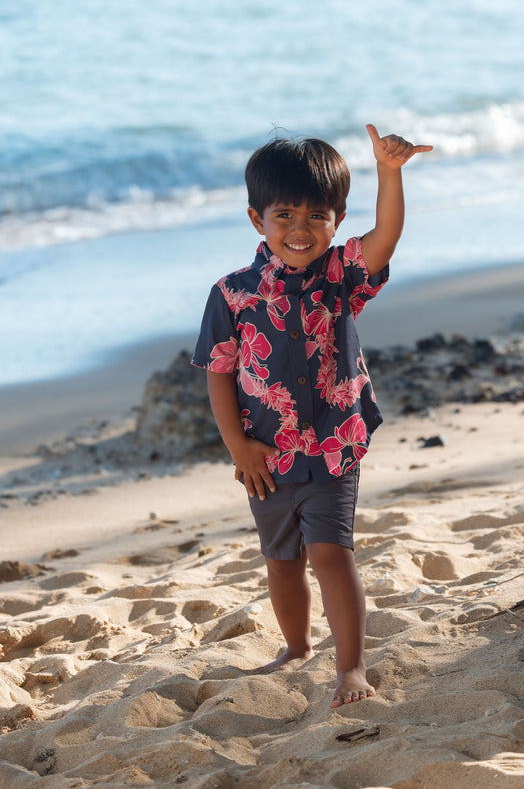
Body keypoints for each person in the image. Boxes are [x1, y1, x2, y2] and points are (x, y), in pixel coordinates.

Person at [192, 124, 432, 708]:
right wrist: (237, 448)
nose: (301, 231)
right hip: (265, 455)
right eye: (285, 217)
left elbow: (387, 238)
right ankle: (297, 646)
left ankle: (350, 666)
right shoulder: (232, 294)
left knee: (331, 553)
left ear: (336, 219)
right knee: (281, 562)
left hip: (332, 443)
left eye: (317, 217)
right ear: (258, 220)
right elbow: (218, 370)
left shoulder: (341, 276)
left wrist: (391, 172)